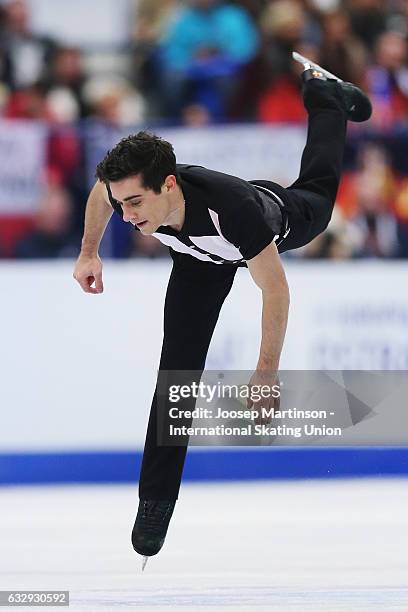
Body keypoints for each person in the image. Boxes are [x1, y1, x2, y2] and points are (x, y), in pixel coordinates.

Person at [73, 57, 372, 564]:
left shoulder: (232, 209)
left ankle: (324, 95)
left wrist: (266, 373)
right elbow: (101, 195)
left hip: (270, 219)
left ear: (169, 185)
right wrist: (88, 251)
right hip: (198, 261)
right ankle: (155, 503)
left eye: (136, 203)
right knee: (176, 378)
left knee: (319, 193)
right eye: (124, 204)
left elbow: (275, 290)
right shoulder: (128, 191)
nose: (129, 216)